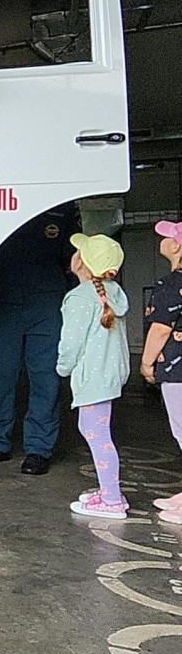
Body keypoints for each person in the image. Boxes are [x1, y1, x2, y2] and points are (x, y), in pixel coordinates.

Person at [0, 208, 75, 475]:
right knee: (0, 377)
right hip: (2, 304)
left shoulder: (61, 211)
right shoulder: (0, 205)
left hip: (48, 304)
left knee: (46, 379)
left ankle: (39, 449)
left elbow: (76, 260)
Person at [55, 234, 130, 519]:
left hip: (93, 378)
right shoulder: (114, 293)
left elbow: (71, 341)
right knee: (98, 432)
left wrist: (63, 367)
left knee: (96, 434)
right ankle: (108, 489)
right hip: (110, 374)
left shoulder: (80, 298)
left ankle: (112, 499)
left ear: (81, 262)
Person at [141, 220, 182, 525]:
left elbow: (160, 329)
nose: (163, 239)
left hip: (177, 370)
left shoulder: (170, 284)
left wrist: (146, 362)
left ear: (176, 246)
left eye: (167, 236)